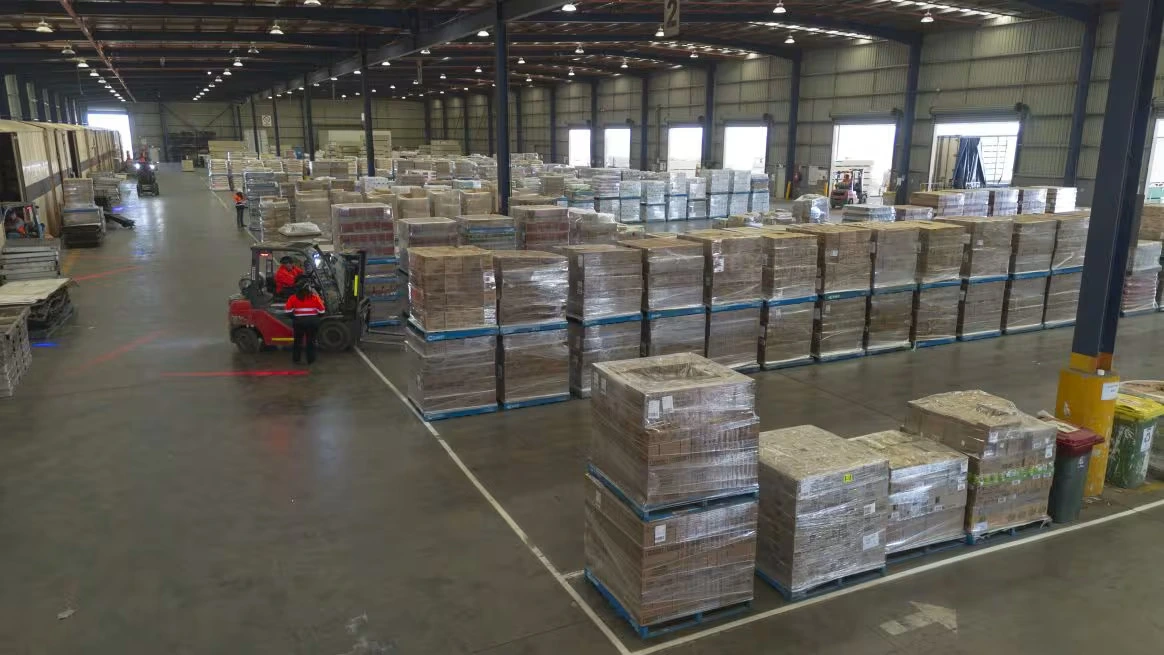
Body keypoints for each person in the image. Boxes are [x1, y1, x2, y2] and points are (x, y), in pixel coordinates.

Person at [285, 283, 326, 364]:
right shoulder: (315, 298)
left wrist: (296, 318)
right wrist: (314, 317)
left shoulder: (292, 298)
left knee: (297, 341)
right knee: (311, 341)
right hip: (312, 322)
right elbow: (322, 312)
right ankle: (310, 360)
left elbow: (288, 312)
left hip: (299, 322)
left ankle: (296, 359)